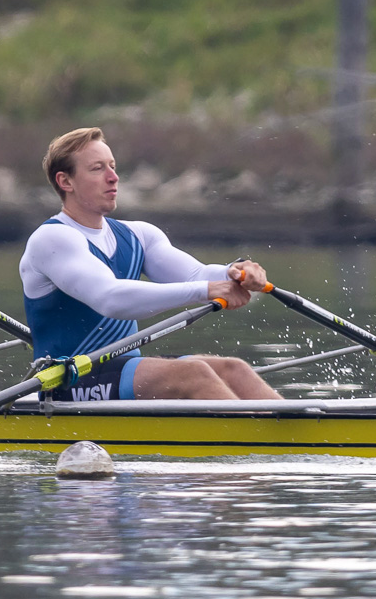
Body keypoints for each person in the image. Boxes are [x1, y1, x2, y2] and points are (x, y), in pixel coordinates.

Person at [19, 127, 281, 401]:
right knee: (194, 374)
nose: (113, 177)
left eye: (112, 166)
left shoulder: (138, 235)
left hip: (123, 372)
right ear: (66, 181)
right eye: (97, 169)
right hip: (68, 381)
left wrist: (236, 273)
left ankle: (295, 428)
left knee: (235, 370)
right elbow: (110, 298)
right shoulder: (52, 239)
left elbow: (196, 274)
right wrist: (206, 290)